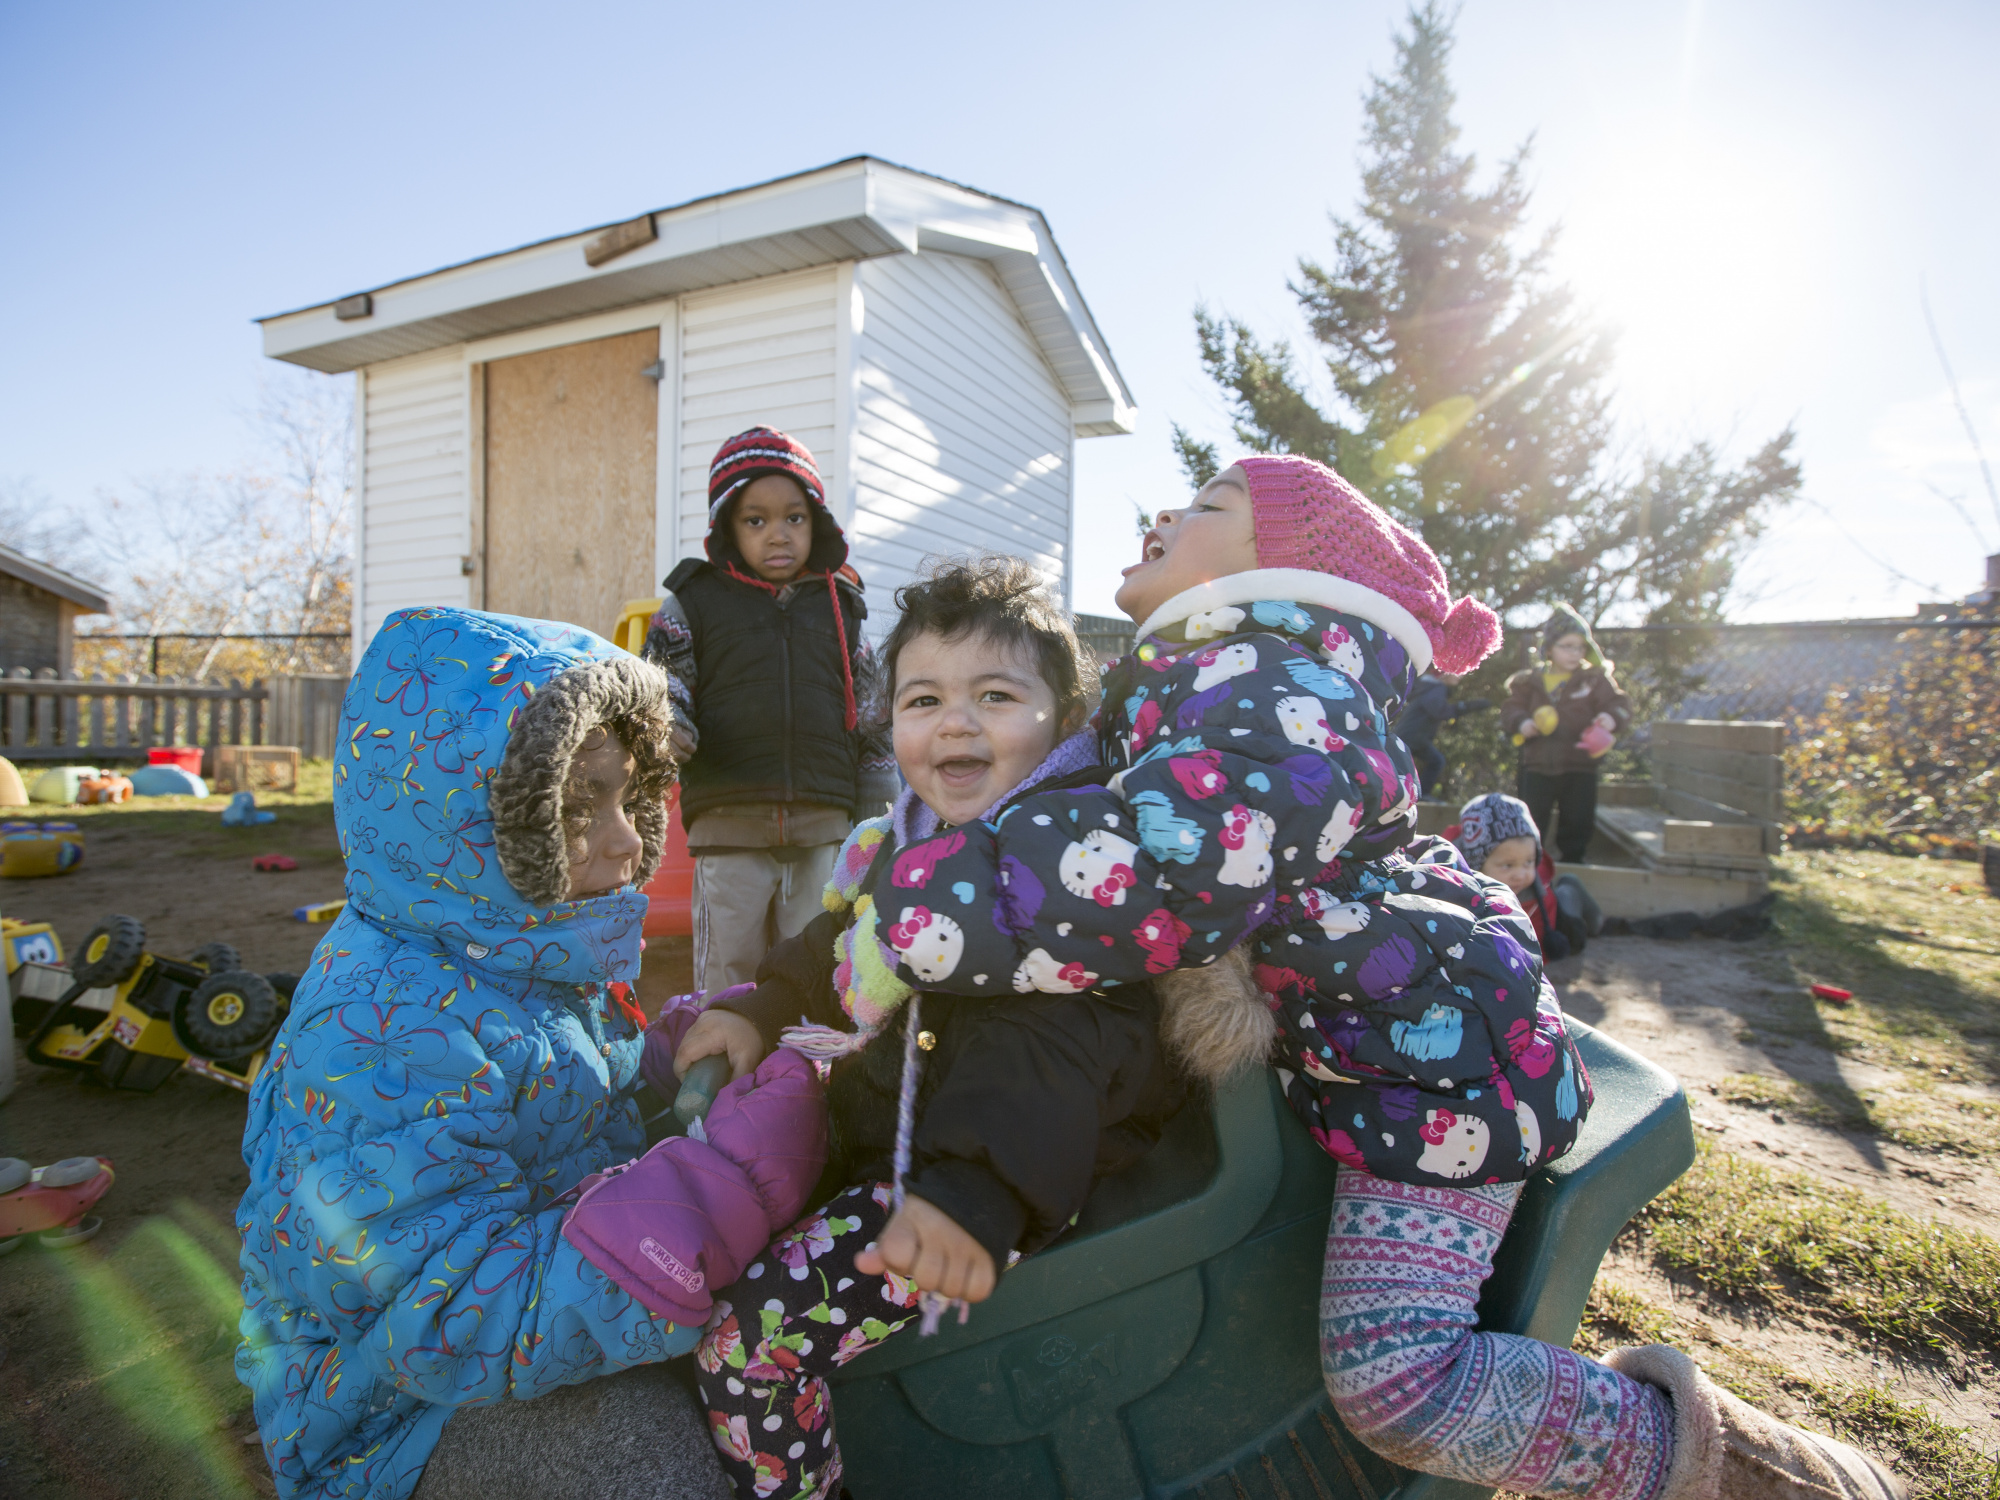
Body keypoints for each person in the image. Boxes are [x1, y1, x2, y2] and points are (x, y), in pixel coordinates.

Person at [887, 457, 1903, 1500]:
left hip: (1433, 1082)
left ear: (1276, 570)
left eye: (1206, 506)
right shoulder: (1201, 681)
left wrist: (918, 909)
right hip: (1375, 1049)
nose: (1161, 512)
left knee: (1401, 1385)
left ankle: (1763, 1476)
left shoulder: (1275, 689)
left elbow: (1167, 864)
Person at [235, 607, 827, 1500]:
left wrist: (669, 1055)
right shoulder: (382, 1032)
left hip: (529, 1323)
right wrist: (715, 1197)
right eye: (579, 802)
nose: (630, 839)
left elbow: (569, 1097)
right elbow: (443, 1321)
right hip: (398, 1419)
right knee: (653, 1467)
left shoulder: (512, 945)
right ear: (466, 819)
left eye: (628, 794)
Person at [669, 558, 1191, 1500]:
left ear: (1065, 720)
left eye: (995, 695)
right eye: (923, 699)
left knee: (749, 1341)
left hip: (995, 1176)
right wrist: (761, 1007)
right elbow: (840, 942)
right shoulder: (905, 841)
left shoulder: (1072, 868)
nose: (955, 721)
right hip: (905, 1133)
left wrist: (975, 1196)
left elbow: (1064, 1041)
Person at [643, 426, 895, 994]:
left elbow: (873, 713)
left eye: (794, 518)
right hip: (729, 825)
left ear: (816, 522)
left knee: (813, 964)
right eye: (756, 520)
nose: (777, 535)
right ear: (728, 526)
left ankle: (804, 1073)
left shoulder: (842, 607)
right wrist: (669, 722)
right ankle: (725, 1074)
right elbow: (662, 679)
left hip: (822, 830)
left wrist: (878, 806)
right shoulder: (695, 602)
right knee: (728, 972)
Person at [1501, 604, 1632, 864]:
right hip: (1537, 763)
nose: (1575, 653)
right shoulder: (1530, 681)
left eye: (1580, 647)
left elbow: (1619, 703)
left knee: (1578, 818)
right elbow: (1510, 709)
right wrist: (1522, 722)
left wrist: (1611, 717)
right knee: (1532, 817)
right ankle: (1529, 863)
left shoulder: (1593, 680)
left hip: (1579, 764)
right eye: (1567, 646)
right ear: (1549, 648)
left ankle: (1574, 862)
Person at [1448, 791, 1593, 961]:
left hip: (1562, 920)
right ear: (1475, 865)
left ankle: (1572, 889)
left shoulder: (1539, 896)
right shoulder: (1451, 892)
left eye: (1529, 862)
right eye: (1508, 865)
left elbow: (1537, 952)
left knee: (1577, 929)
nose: (1520, 875)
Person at [1392, 666, 1489, 797]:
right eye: (1457, 673)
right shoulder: (1436, 687)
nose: (1460, 677)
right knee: (1436, 761)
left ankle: (1407, 794)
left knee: (1404, 767)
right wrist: (1468, 706)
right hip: (1415, 736)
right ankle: (1421, 795)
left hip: (1408, 735)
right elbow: (1439, 711)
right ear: (1445, 674)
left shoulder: (1427, 686)